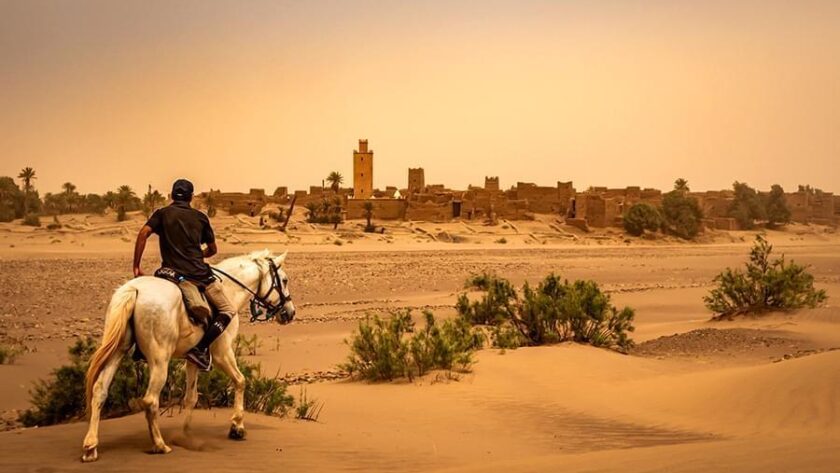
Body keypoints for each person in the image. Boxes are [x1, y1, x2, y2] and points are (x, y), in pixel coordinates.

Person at [132, 178, 235, 371]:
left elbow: (143, 234)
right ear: (191, 197)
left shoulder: (162, 214)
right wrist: (197, 256)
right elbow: (213, 249)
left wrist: (137, 266)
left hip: (168, 272)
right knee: (228, 310)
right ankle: (200, 349)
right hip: (197, 275)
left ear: (171, 196)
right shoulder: (200, 217)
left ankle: (139, 347)